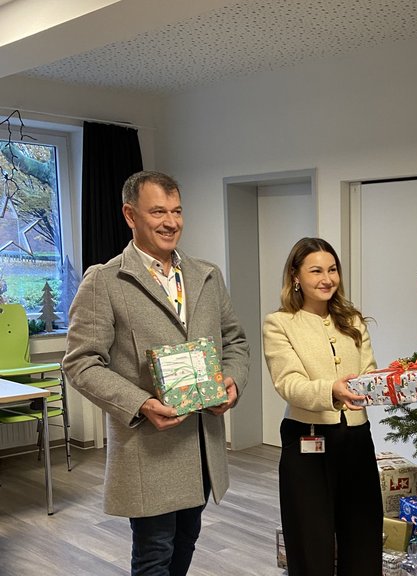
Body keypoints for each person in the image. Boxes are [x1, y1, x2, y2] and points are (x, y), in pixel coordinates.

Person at [63, 170, 250, 576]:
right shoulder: (105, 280)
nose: (171, 222)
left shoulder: (206, 275)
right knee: (154, 554)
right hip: (149, 448)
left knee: (187, 540)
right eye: (158, 212)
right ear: (130, 215)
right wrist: (141, 403)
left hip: (201, 443)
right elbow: (80, 363)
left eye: (178, 211)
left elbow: (235, 340)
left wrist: (232, 380)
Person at [262, 237, 383, 576]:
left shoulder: (353, 320)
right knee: (309, 542)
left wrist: (389, 384)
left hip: (357, 438)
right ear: (295, 275)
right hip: (307, 440)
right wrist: (332, 390)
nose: (327, 278)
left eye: (332, 270)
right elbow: (289, 383)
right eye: (316, 270)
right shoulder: (280, 323)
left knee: (363, 537)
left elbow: (370, 371)